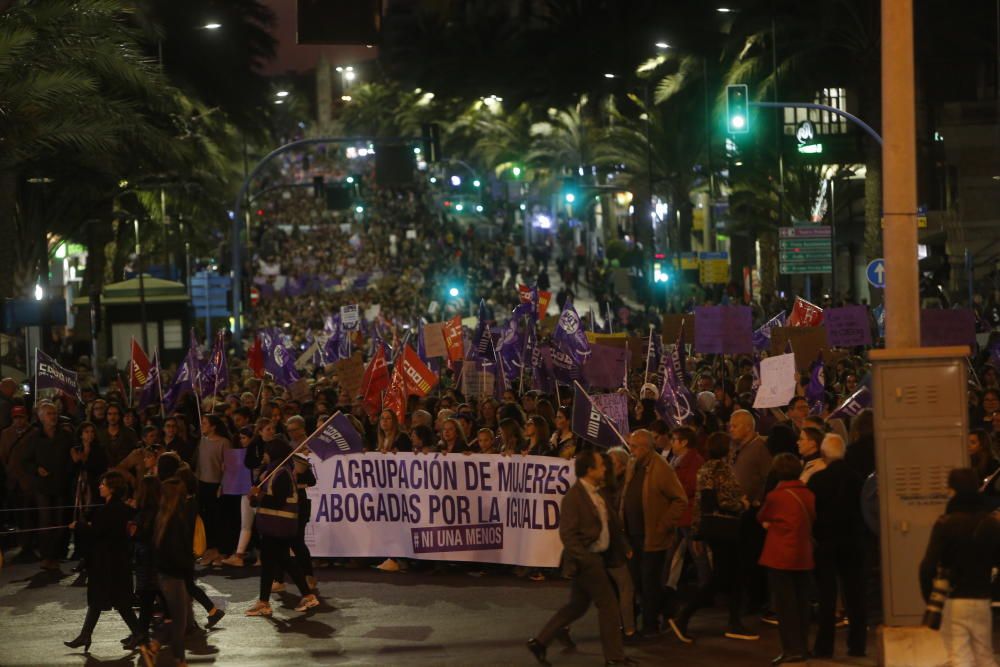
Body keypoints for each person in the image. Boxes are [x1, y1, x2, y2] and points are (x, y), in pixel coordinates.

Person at [527, 450, 630, 666]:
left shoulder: (598, 492)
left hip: (598, 557)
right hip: (587, 560)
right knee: (609, 606)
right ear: (589, 470)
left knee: (577, 606)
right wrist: (586, 559)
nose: (605, 468)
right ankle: (615, 658)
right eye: (601, 465)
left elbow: (609, 524)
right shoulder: (574, 497)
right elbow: (567, 534)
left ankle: (540, 642)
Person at [669, 432, 748, 643]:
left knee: (730, 575)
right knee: (722, 577)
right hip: (726, 527)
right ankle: (684, 617)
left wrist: (697, 532)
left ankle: (734, 621)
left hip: (712, 528)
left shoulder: (704, 468)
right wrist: (742, 504)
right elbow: (721, 500)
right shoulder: (721, 469)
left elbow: (700, 504)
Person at [919, 468, 1000, 667]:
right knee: (984, 655)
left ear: (954, 490)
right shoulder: (990, 524)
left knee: (959, 655)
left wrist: (931, 597)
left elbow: (927, 567)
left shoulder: (945, 524)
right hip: (982, 599)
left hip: (954, 600)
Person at [64, 471, 147, 655]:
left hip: (106, 563)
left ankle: (137, 633)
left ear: (112, 488)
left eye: (103, 484)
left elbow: (97, 534)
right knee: (113, 601)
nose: (100, 486)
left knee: (108, 600)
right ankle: (87, 635)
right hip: (118, 562)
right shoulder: (124, 509)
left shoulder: (107, 511)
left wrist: (78, 526)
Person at [620, 428, 687, 637]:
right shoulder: (634, 464)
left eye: (634, 446)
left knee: (649, 581)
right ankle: (665, 610)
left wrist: (663, 525)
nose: (630, 450)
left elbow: (680, 500)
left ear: (647, 448)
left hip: (652, 536)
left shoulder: (661, 469)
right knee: (638, 580)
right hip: (633, 535)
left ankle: (651, 625)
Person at [807, 434, 867, 658]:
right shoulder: (858, 479)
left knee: (827, 597)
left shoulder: (818, 480)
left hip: (825, 543)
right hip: (853, 542)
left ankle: (824, 647)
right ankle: (857, 645)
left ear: (823, 454)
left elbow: (811, 513)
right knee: (855, 595)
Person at [246, 437, 318, 617]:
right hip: (275, 525)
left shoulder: (282, 473)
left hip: (279, 526)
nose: (264, 454)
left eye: (267, 450)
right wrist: (255, 498)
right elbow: (267, 497)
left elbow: (277, 501)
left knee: (281, 561)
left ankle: (306, 596)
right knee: (271, 563)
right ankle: (264, 602)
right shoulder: (274, 471)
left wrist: (259, 495)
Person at [758, 453, 816, 665]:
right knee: (801, 603)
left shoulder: (776, 496)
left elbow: (761, 516)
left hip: (779, 555)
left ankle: (791, 649)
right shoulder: (808, 494)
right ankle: (803, 646)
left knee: (785, 605)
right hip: (803, 554)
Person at [725, 409, 771, 638]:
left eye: (734, 425)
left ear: (748, 427)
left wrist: (757, 501)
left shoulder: (759, 448)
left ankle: (756, 600)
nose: (730, 428)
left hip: (751, 514)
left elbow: (766, 477)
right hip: (736, 512)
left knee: (751, 557)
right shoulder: (735, 448)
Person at [147, 477, 194, 667]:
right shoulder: (174, 521)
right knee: (180, 622)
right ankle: (179, 660)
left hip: (164, 575)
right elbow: (177, 552)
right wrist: (187, 568)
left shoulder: (162, 518)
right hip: (175, 576)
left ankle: (155, 645)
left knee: (172, 618)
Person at [23, 401, 74, 570]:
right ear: (41, 417)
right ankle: (47, 556)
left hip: (60, 485)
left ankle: (56, 555)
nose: (53, 417)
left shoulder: (65, 436)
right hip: (43, 487)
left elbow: (71, 459)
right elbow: (26, 461)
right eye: (49, 414)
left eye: (54, 414)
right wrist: (37, 469)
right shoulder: (34, 438)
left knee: (60, 522)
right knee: (45, 522)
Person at [195, 414, 230, 566]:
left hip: (216, 485)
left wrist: (222, 485)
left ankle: (219, 550)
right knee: (205, 518)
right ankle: (208, 549)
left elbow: (228, 467)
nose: (202, 426)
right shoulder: (202, 441)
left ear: (213, 426)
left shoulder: (224, 442)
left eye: (205, 423)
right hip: (202, 484)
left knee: (218, 519)